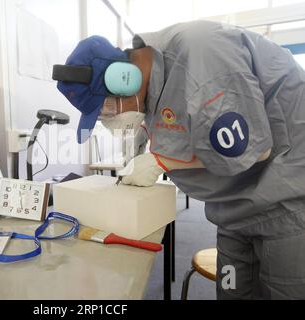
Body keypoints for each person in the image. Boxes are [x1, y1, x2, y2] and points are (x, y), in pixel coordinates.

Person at [54, 20, 305, 300]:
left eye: (108, 109)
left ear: (124, 77)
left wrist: (162, 161)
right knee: (232, 292)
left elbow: (253, 149)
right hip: (232, 212)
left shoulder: (203, 57)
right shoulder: (151, 89)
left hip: (287, 204)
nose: (109, 119)